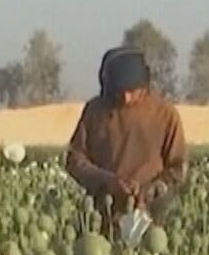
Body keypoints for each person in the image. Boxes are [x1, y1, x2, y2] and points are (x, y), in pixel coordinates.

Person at [64, 47, 188, 229]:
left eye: (133, 91)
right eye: (119, 90)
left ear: (145, 85)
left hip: (152, 219)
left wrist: (150, 191)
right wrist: (108, 181)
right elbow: (75, 160)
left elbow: (178, 168)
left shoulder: (165, 114)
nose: (126, 97)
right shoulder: (95, 112)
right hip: (103, 218)